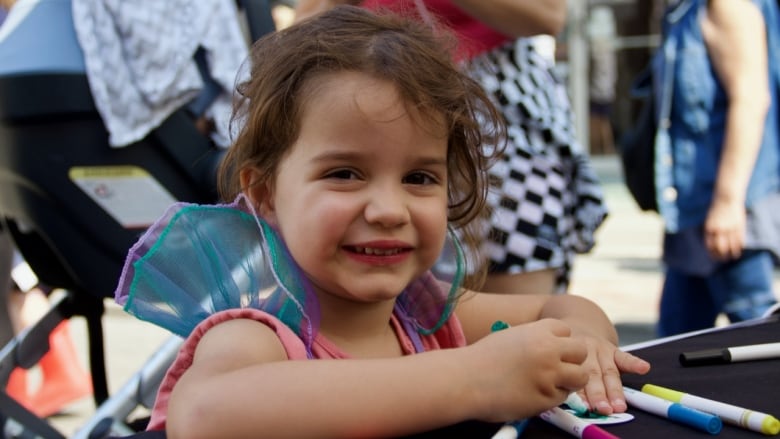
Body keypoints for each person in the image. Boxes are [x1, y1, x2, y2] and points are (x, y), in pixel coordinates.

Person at [113, 6, 650, 438]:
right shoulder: (259, 332)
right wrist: (474, 378)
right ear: (266, 193)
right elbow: (205, 417)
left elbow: (561, 306)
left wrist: (586, 342)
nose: (389, 210)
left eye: (419, 178)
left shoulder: (426, 312)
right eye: (345, 173)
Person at [295, 0, 608, 296]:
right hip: (388, 102)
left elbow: (548, 14)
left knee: (514, 287)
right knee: (406, 301)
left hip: (501, 112)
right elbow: (298, 37)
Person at [652, 0, 780, 336]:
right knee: (676, 342)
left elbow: (751, 99)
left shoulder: (727, 5)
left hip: (730, 212)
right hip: (693, 209)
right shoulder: (684, 11)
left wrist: (728, 201)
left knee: (756, 333)